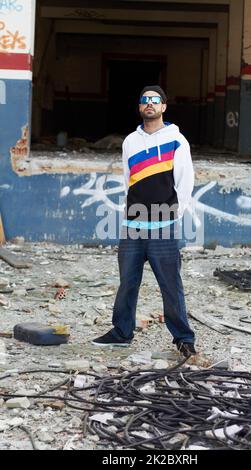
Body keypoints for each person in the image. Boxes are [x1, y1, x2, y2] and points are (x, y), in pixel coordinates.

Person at [92, 85, 196, 357]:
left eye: (155, 100)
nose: (149, 104)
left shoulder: (177, 141)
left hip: (163, 224)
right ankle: (121, 332)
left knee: (170, 285)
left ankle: (184, 338)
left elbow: (185, 182)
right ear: (140, 107)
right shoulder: (130, 142)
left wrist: (175, 214)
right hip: (134, 224)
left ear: (163, 107)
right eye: (144, 100)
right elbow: (129, 180)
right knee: (128, 281)